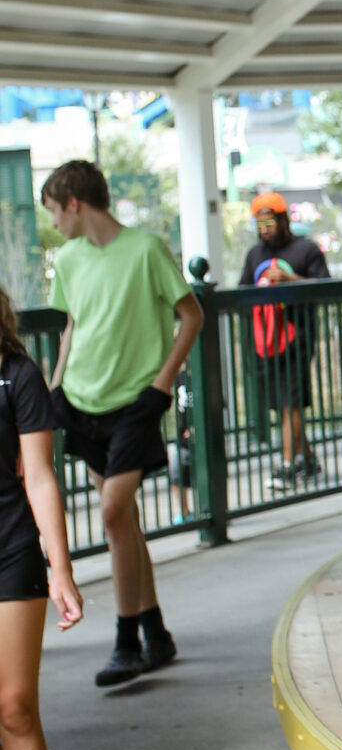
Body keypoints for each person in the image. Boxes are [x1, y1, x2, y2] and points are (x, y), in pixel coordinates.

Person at [40, 160, 201, 689]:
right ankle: (157, 634)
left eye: (54, 212)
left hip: (136, 402)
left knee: (111, 514)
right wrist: (54, 390)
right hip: (81, 401)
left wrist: (161, 384)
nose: (55, 224)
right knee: (125, 522)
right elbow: (71, 327)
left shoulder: (146, 250)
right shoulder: (68, 259)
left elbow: (191, 315)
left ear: (73, 203)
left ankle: (127, 640)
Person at [0, 285, 82, 750]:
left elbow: (40, 476)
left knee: (15, 706)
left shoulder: (17, 375)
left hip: (10, 551)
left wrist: (60, 568)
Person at [238, 191, 330, 490]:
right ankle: (308, 459)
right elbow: (241, 291)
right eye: (259, 223)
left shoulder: (306, 250)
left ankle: (288, 465)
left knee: (291, 401)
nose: (264, 229)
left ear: (281, 220)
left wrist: (291, 281)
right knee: (282, 404)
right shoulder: (254, 255)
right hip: (265, 340)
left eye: (269, 222)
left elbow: (326, 286)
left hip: (298, 337)